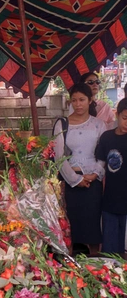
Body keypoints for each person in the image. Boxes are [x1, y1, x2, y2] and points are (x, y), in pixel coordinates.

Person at [54, 83, 105, 256]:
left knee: (92, 224)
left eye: (82, 100)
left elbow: (103, 154)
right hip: (70, 182)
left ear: (90, 100)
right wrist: (76, 180)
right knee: (69, 224)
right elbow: (59, 156)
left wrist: (94, 174)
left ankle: (95, 264)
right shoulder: (62, 124)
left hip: (93, 182)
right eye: (74, 100)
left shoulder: (99, 125)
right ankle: (71, 265)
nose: (78, 104)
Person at [96, 98, 127, 257]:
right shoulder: (107, 138)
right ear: (117, 115)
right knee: (109, 250)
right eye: (125, 118)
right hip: (110, 200)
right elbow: (100, 166)